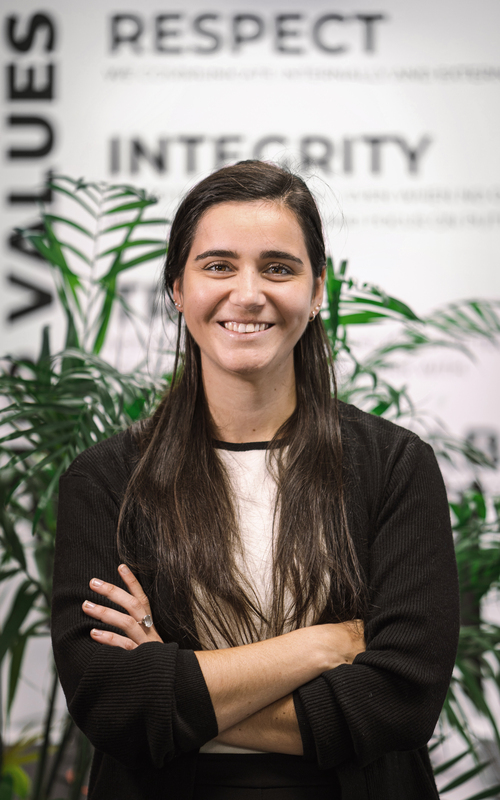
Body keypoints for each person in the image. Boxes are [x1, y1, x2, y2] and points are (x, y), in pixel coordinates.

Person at [51, 160, 459, 800]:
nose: (247, 294)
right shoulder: (106, 480)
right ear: (177, 288)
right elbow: (112, 703)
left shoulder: (394, 465)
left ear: (317, 289)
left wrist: (176, 690)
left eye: (278, 268)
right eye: (218, 266)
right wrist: (321, 646)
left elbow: (399, 704)